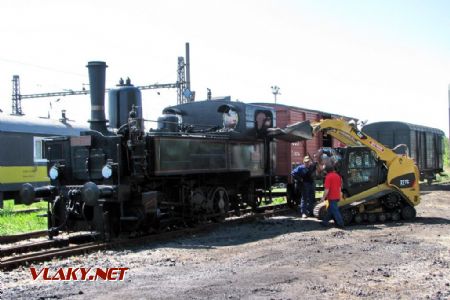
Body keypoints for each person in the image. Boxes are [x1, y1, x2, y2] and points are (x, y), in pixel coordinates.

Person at [320, 164, 345, 228]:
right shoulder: (337, 176)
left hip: (332, 197)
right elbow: (340, 187)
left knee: (335, 211)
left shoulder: (328, 177)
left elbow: (327, 189)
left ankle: (341, 224)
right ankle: (325, 222)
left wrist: (323, 198)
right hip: (337, 196)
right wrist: (340, 196)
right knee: (330, 210)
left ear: (327, 171)